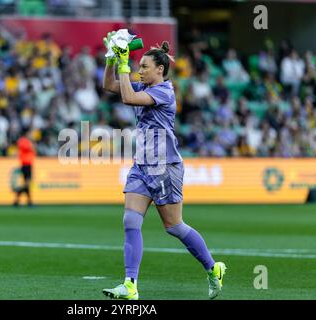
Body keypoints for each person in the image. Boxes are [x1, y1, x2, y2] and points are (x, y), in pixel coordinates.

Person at [102, 34, 226, 300]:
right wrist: (111, 59)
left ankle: (213, 268)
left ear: (160, 69)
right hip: (142, 165)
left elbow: (126, 97)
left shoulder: (163, 91)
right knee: (130, 221)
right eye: (139, 67)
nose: (139, 70)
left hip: (164, 165)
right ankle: (130, 285)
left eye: (144, 67)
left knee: (174, 226)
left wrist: (124, 62)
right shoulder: (145, 85)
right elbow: (110, 84)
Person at [13, 128, 35, 207]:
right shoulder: (22, 141)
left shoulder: (27, 141)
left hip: (28, 164)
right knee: (27, 183)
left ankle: (21, 201)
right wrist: (31, 144)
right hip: (25, 164)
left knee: (27, 183)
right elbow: (28, 148)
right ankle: (27, 201)